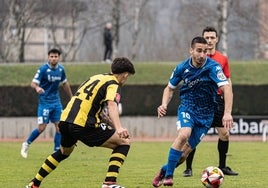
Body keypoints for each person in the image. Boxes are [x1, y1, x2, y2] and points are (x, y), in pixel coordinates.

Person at [25, 57, 135, 188]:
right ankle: (109, 183)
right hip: (83, 124)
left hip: (65, 121)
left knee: (63, 152)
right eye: (127, 77)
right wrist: (119, 128)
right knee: (124, 142)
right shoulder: (113, 83)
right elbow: (112, 105)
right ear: (125, 74)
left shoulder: (96, 78)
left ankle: (34, 183)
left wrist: (112, 125)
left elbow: (97, 110)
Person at [152, 36, 233, 187]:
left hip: (207, 114)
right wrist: (164, 104)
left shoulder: (213, 67)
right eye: (199, 51)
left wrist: (227, 113)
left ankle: (164, 170)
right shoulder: (182, 67)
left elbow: (226, 88)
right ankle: (169, 176)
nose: (202, 55)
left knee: (183, 155)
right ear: (191, 50)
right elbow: (169, 88)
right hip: (188, 107)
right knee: (184, 134)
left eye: (205, 51)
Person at [182, 26, 238, 177]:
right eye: (207, 38)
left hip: (217, 101)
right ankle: (188, 168)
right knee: (193, 134)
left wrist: (228, 108)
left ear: (217, 39)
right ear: (202, 40)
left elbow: (227, 82)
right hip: (200, 101)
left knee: (225, 134)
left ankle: (222, 166)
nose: (210, 40)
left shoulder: (223, 59)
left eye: (212, 37)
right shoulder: (197, 58)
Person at [21, 48, 73, 158]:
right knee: (41, 128)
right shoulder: (43, 69)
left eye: (55, 56)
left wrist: (72, 97)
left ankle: (56, 150)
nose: (53, 58)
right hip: (44, 103)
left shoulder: (61, 70)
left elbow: (65, 84)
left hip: (56, 102)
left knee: (59, 127)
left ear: (59, 57)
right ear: (48, 57)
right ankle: (26, 144)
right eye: (51, 56)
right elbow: (33, 83)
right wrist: (37, 88)